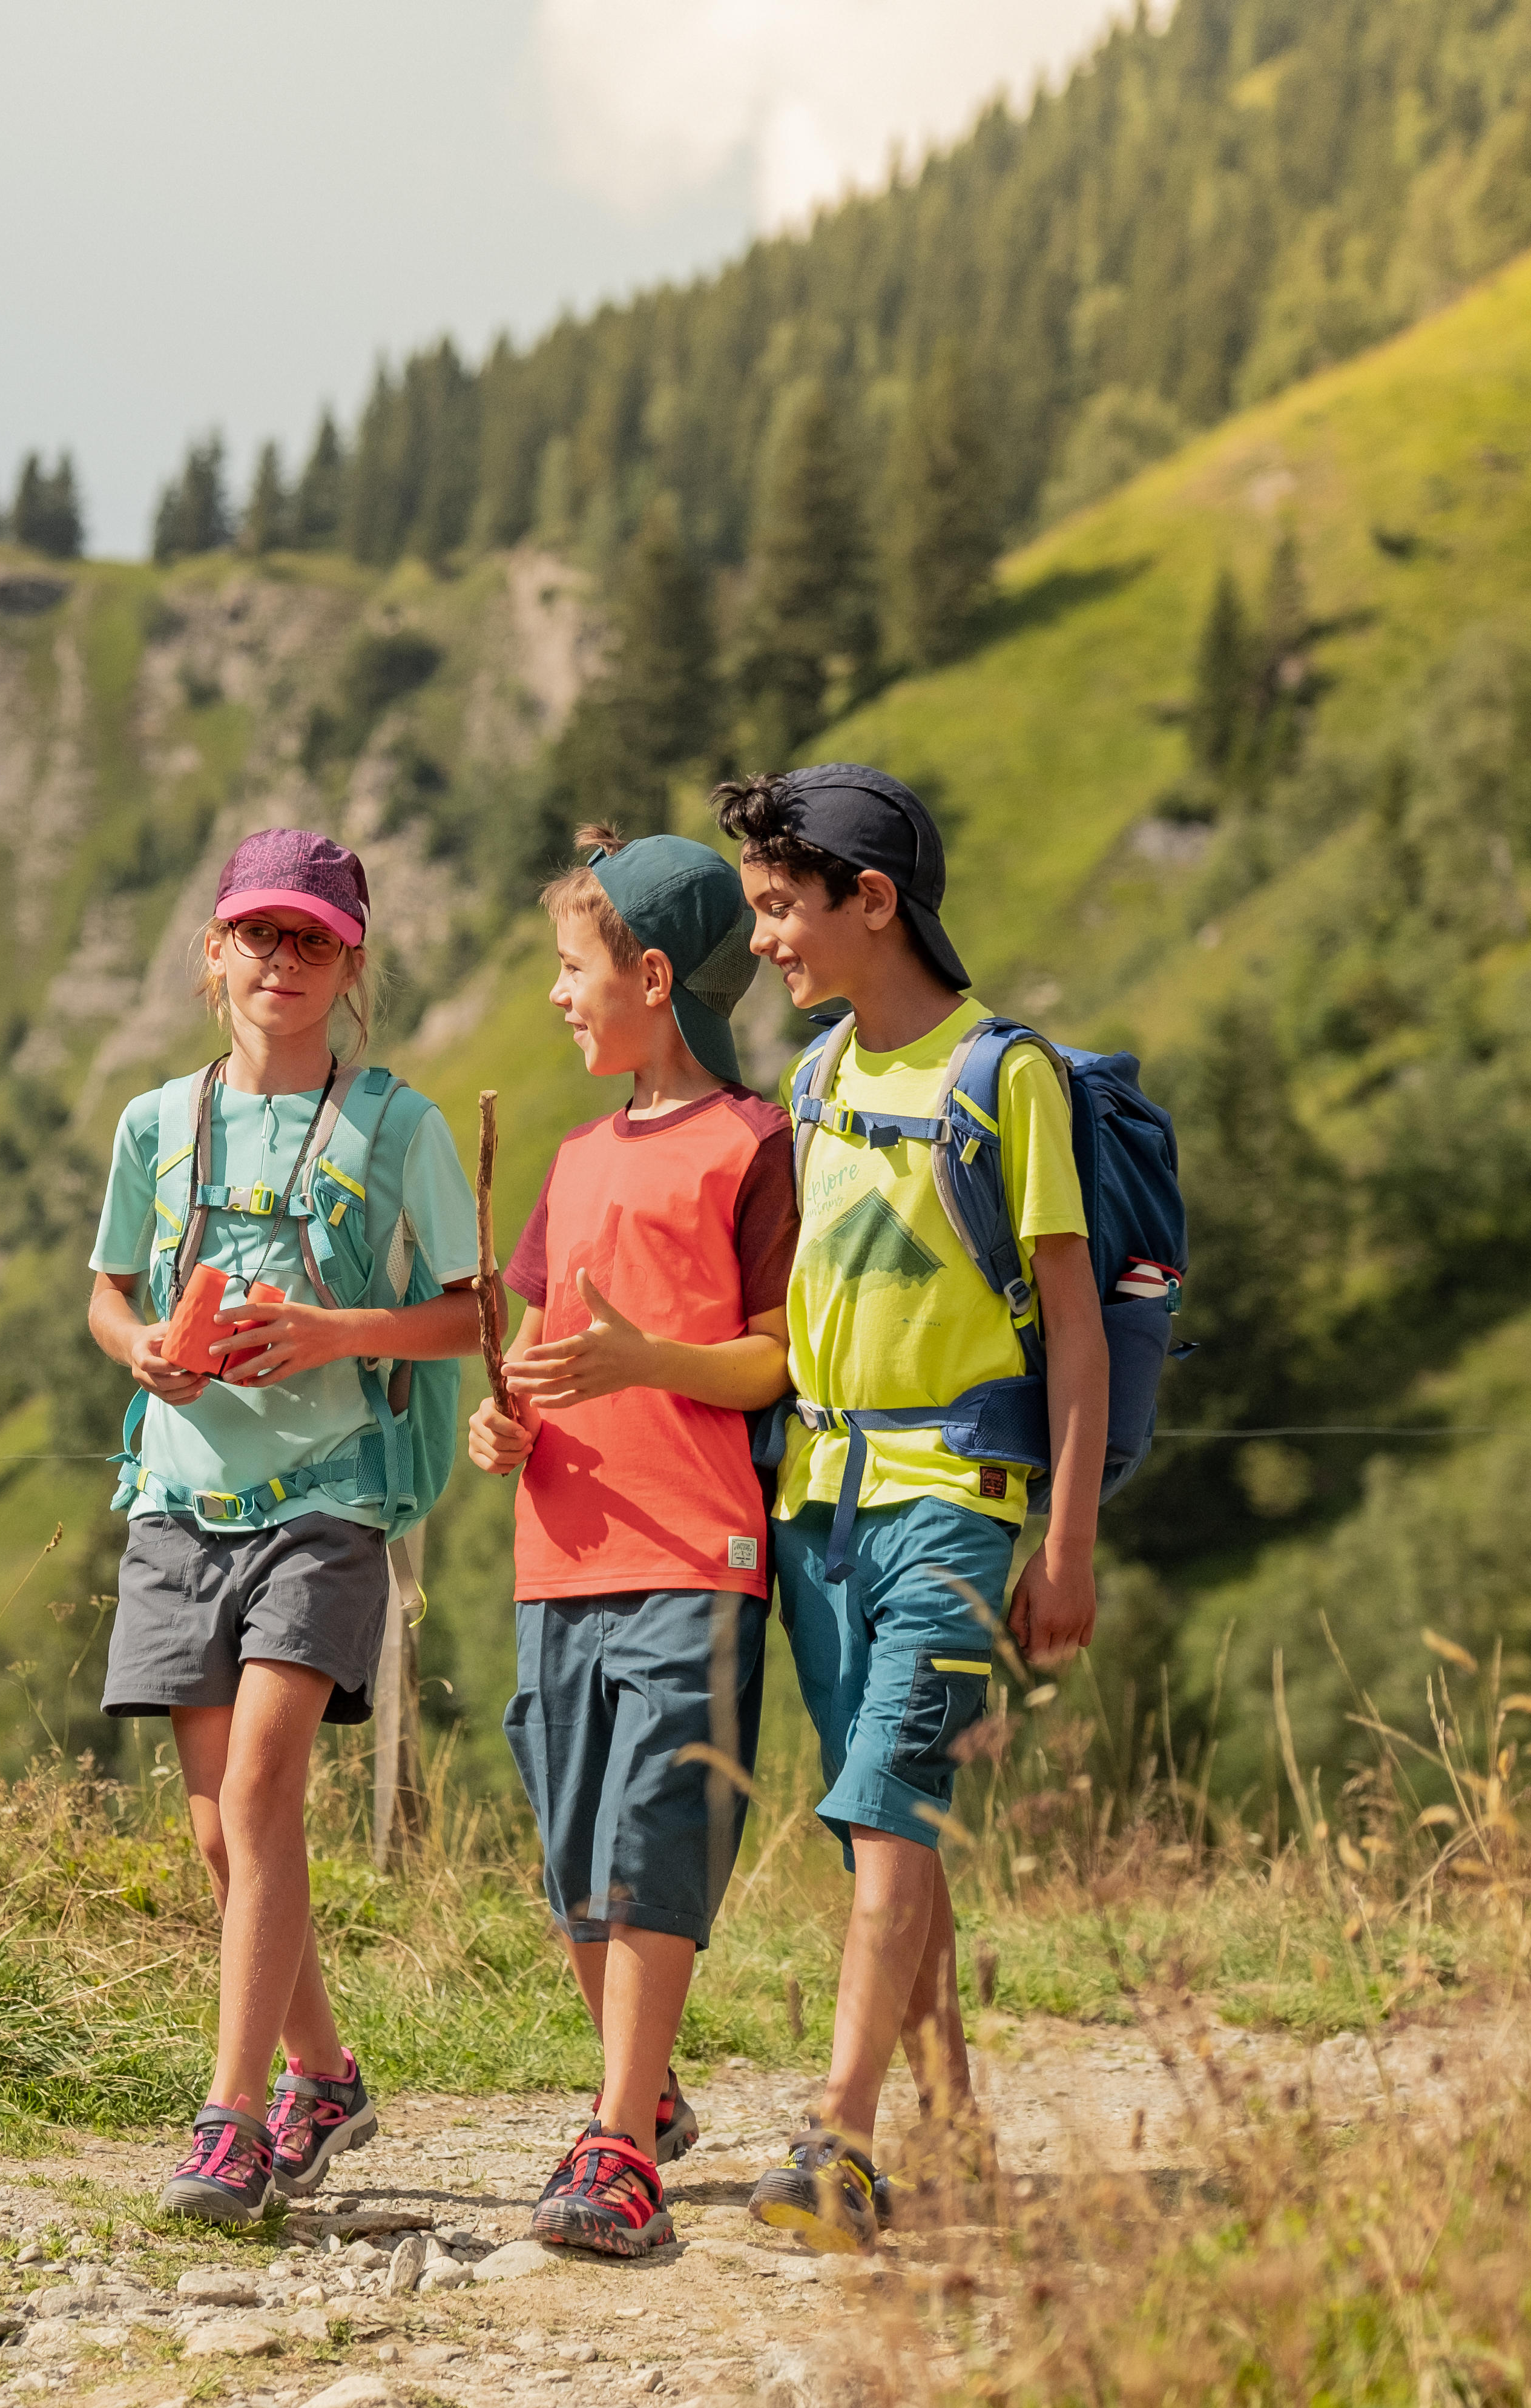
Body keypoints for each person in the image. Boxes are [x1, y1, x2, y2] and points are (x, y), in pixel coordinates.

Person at [716, 764, 1108, 2255]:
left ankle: (841, 2137)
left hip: (955, 1502)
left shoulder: (1005, 1077)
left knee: (884, 1804)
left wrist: (1064, 1543)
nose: (764, 943)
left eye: (778, 910)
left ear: (869, 902)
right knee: (892, 1830)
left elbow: (1071, 1325)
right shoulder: (817, 1084)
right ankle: (950, 2118)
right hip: (823, 1502)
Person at [86, 829, 487, 2225]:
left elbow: (468, 1312)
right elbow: (109, 1293)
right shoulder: (157, 1125)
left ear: (350, 963)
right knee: (218, 1836)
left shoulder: (399, 1126)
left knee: (261, 1799)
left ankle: (231, 2119)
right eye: (259, 933)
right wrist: (143, 1349)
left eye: (311, 938)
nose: (281, 959)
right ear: (214, 952)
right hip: (178, 1502)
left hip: (330, 1501)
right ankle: (325, 2072)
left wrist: (334, 1335)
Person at [468, 827, 795, 2257]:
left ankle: (614, 2144)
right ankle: (644, 2096)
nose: (557, 995)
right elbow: (543, 1356)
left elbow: (779, 1361)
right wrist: (507, 1427)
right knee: (572, 1857)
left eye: (573, 968)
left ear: (653, 978)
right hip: (562, 1560)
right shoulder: (577, 1153)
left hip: (694, 1549)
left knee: (654, 1837)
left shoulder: (758, 1144)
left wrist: (645, 1357)